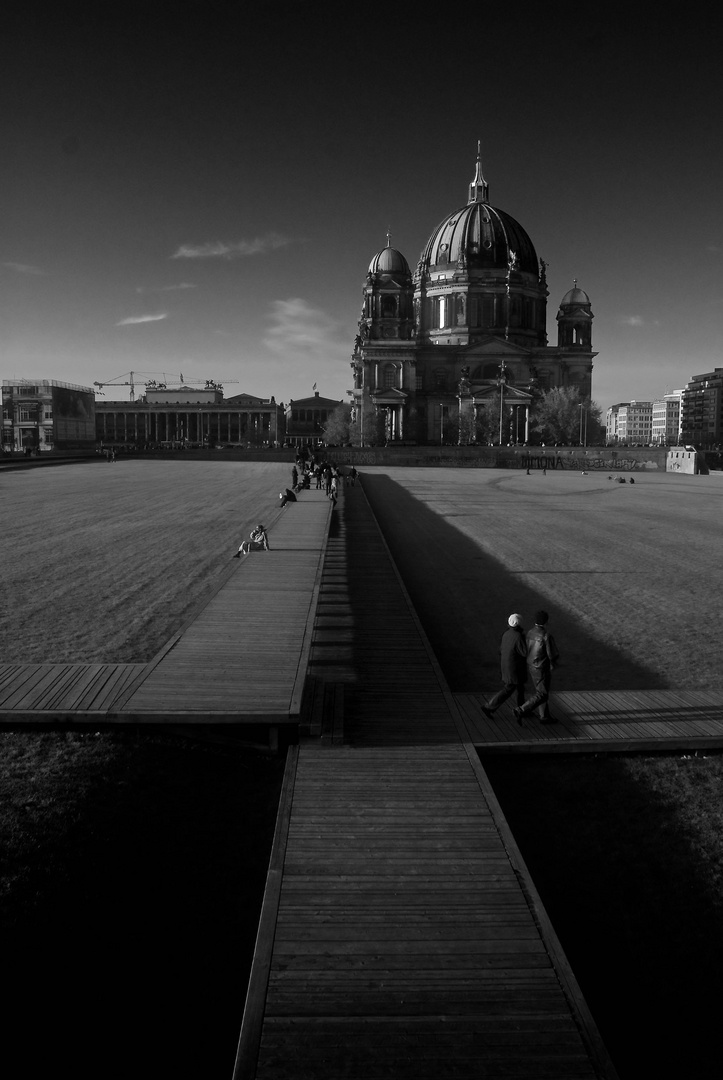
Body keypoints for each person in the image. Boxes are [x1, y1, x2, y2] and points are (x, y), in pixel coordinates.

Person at [514, 610, 560, 724]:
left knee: (540, 691)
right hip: (541, 667)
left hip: (531, 665)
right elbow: (552, 654)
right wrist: (553, 663)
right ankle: (521, 710)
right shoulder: (546, 635)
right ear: (546, 621)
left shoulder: (530, 632)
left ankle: (544, 716)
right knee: (542, 694)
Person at [481, 614, 528, 722]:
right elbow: (524, 652)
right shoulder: (518, 636)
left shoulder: (506, 634)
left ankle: (523, 709)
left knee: (519, 688)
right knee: (510, 688)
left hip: (507, 666)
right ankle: (489, 707)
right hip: (515, 669)